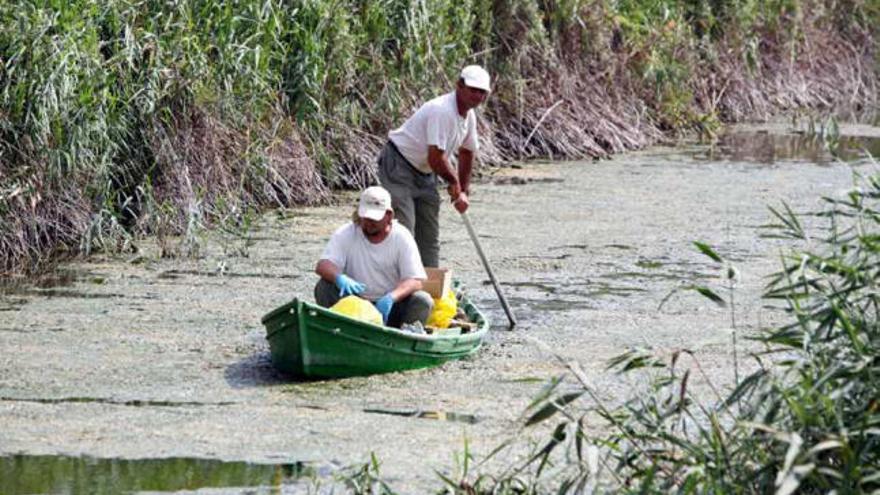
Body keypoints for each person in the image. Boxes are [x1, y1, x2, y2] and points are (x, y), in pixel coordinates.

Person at [378, 64, 491, 268]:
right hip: (399, 164)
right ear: (459, 86)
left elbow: (467, 152)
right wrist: (454, 182)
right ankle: (399, 285)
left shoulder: (469, 116)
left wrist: (463, 191)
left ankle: (430, 285)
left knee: (429, 235)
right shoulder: (442, 110)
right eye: (472, 90)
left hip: (426, 172)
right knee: (404, 229)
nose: (476, 95)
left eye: (481, 92)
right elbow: (436, 157)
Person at [314, 186, 434, 327]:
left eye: (375, 218)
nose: (369, 222)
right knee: (324, 287)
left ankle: (403, 336)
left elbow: (415, 280)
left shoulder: (402, 237)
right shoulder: (346, 233)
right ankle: (337, 327)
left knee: (422, 301)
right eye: (366, 217)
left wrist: (391, 297)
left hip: (391, 308)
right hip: (354, 305)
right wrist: (340, 277)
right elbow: (323, 265)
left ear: (389, 215)